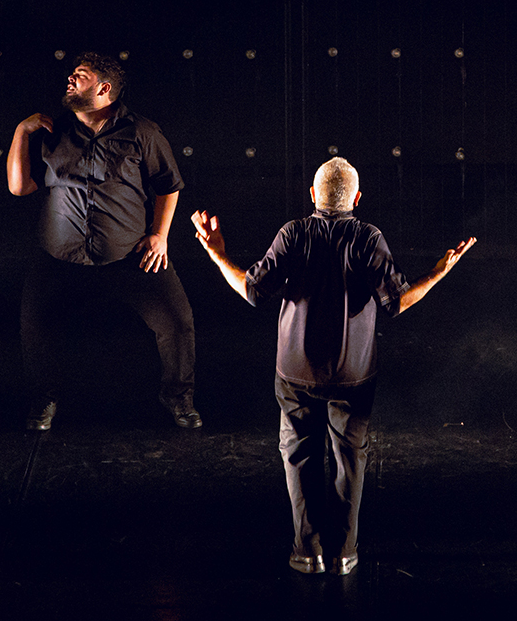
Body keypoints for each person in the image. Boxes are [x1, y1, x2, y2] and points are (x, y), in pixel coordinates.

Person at [191, 157, 474, 576]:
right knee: (350, 460)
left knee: (299, 457)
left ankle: (307, 552)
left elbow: (252, 291)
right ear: (357, 199)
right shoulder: (367, 237)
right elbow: (397, 301)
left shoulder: (293, 233)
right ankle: (344, 553)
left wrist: (218, 255)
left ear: (312, 195)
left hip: (295, 372)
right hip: (353, 374)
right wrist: (438, 272)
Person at [7, 53, 201, 431]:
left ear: (104, 88)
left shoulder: (142, 132)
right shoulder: (53, 130)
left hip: (128, 256)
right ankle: (44, 399)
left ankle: (178, 398)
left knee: (178, 322)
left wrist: (159, 236)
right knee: (34, 325)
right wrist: (20, 132)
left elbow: (168, 186)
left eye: (80, 75)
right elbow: (19, 187)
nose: (70, 79)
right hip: (60, 256)